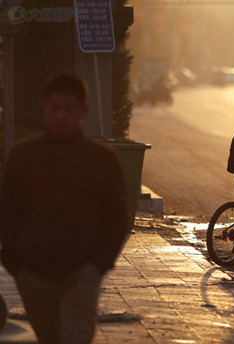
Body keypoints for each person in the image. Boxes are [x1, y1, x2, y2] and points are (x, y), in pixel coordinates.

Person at [0, 73, 129, 343]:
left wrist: (99, 263)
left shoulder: (102, 160)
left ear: (83, 111)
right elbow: (8, 211)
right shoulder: (22, 157)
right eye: (53, 107)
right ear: (44, 107)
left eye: (68, 109)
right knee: (48, 336)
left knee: (76, 335)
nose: (60, 115)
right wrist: (15, 262)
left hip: (82, 269)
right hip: (32, 271)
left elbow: (116, 216)